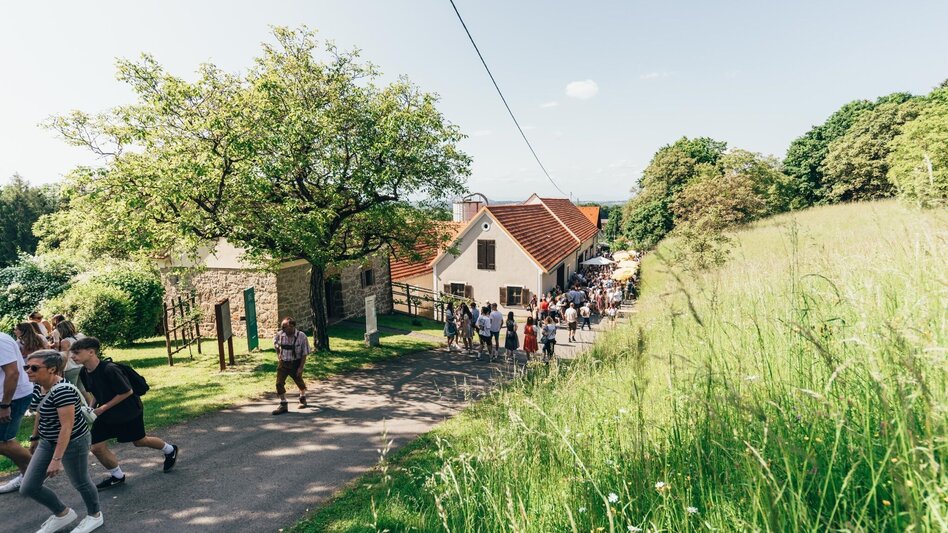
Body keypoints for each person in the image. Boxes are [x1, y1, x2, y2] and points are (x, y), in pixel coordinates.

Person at [70, 337, 178, 490]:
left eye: (76, 353)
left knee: (140, 441)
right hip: (107, 413)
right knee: (96, 447)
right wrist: (91, 408)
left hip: (129, 411)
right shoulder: (84, 372)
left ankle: (170, 450)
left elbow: (127, 391)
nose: (72, 356)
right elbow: (95, 392)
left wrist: (101, 409)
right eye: (72, 353)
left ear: (91, 352)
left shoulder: (110, 369)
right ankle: (117, 476)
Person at [21, 349, 103, 533]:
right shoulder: (39, 384)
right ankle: (62, 513)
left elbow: (66, 427)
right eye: (26, 366)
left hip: (74, 440)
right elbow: (41, 411)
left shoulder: (63, 391)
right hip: (47, 440)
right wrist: (35, 436)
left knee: (80, 481)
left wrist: (56, 460)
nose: (28, 370)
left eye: (33, 367)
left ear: (51, 369)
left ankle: (95, 515)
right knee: (29, 487)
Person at [0, 332, 34, 494]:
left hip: (12, 398)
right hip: (7, 397)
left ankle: (38, 469)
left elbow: (13, 373)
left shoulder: (0, 341)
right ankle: (27, 473)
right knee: (4, 440)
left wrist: (5, 405)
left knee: (4, 441)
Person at [271, 317, 310, 415]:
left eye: (284, 327)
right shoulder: (280, 335)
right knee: (279, 383)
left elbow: (305, 353)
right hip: (283, 362)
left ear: (292, 326)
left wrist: (301, 367)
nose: (282, 330)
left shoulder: (301, 336)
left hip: (295, 362)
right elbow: (275, 344)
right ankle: (283, 404)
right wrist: (278, 354)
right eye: (282, 327)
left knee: (299, 381)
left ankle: (302, 397)